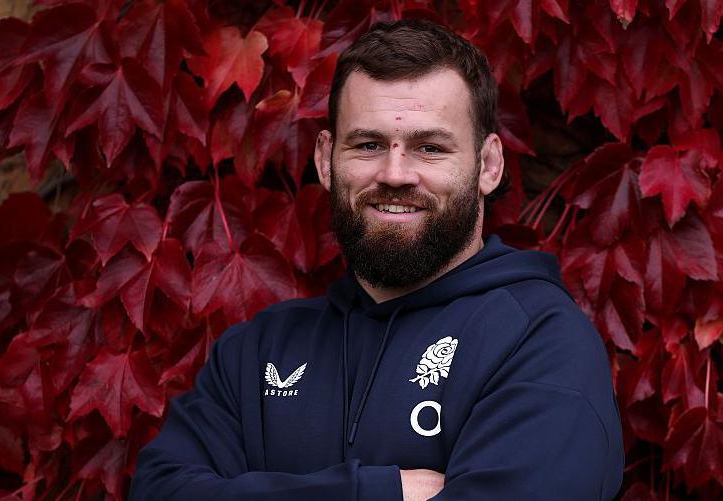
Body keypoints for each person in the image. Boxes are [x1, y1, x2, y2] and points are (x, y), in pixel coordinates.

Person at [130, 19, 623, 501]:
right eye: (368, 144)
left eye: (429, 147)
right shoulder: (257, 352)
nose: (394, 173)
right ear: (326, 160)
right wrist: (376, 490)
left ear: (488, 165)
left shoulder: (539, 343)